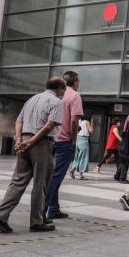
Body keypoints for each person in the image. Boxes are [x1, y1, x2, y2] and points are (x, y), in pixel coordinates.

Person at [0, 77, 65, 233]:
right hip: (41, 144)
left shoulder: (32, 99)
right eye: (63, 90)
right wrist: (31, 141)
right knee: (40, 184)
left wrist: (19, 140)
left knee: (17, 181)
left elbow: (19, 121)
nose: (63, 93)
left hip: (24, 141)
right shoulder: (56, 102)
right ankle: (37, 221)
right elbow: (49, 126)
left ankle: (0, 216)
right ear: (59, 88)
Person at [45, 71, 83, 219]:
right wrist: (73, 139)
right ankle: (42, 212)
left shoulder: (57, 95)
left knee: (52, 175)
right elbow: (74, 121)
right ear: (76, 80)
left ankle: (53, 209)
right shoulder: (75, 96)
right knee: (56, 178)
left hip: (51, 139)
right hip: (65, 141)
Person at [69, 111, 93, 180]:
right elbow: (91, 131)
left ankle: (74, 171)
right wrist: (92, 122)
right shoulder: (87, 121)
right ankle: (79, 174)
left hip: (78, 139)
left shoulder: (79, 121)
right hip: (84, 140)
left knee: (77, 157)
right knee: (83, 157)